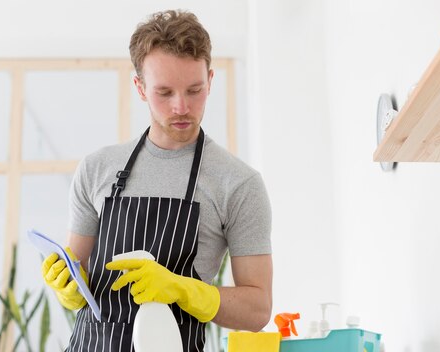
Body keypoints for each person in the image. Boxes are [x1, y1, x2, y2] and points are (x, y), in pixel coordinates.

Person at [40, 10, 272, 352]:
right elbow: (78, 271)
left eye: (194, 90)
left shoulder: (238, 184)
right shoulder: (96, 168)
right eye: (164, 92)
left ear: (210, 80)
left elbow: (258, 309)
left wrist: (182, 289)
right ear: (140, 88)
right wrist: (69, 287)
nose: (181, 107)